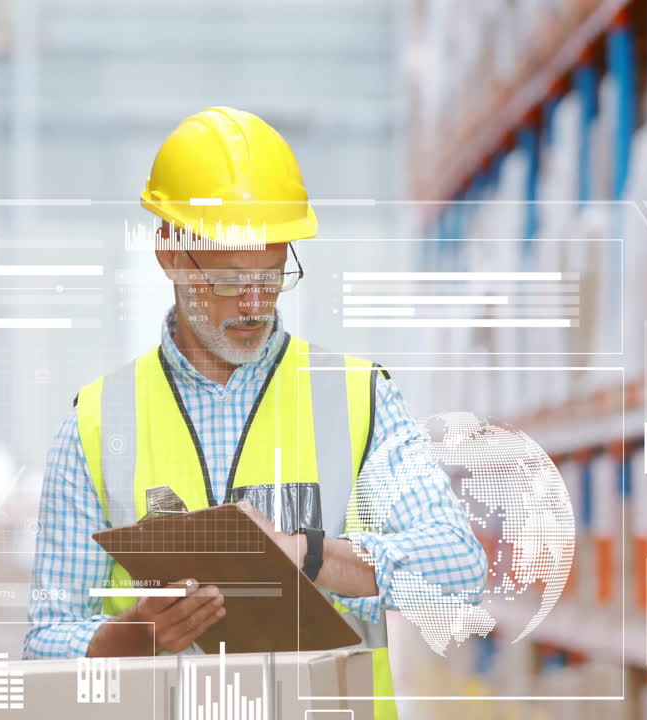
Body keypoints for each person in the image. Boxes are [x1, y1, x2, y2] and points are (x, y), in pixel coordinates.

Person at [24, 106, 488, 720]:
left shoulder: (358, 397)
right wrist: (133, 634)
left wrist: (311, 555)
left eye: (271, 277)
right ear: (169, 252)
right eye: (227, 279)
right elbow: (45, 641)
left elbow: (460, 568)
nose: (252, 304)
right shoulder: (96, 423)